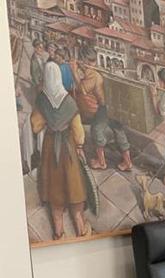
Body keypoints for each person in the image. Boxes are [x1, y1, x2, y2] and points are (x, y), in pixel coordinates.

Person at [30, 50, 94, 239]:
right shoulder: (69, 101)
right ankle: (81, 228)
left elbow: (35, 126)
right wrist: (80, 145)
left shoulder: (41, 100)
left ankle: (58, 232)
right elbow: (78, 131)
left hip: (51, 146)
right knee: (74, 185)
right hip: (68, 146)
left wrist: (49, 122)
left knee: (55, 189)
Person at [74, 47, 133, 171]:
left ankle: (101, 162)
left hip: (104, 108)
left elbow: (82, 89)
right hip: (112, 105)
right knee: (118, 131)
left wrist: (74, 71)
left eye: (89, 61)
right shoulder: (94, 71)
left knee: (96, 130)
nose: (88, 64)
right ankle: (128, 162)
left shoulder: (93, 75)